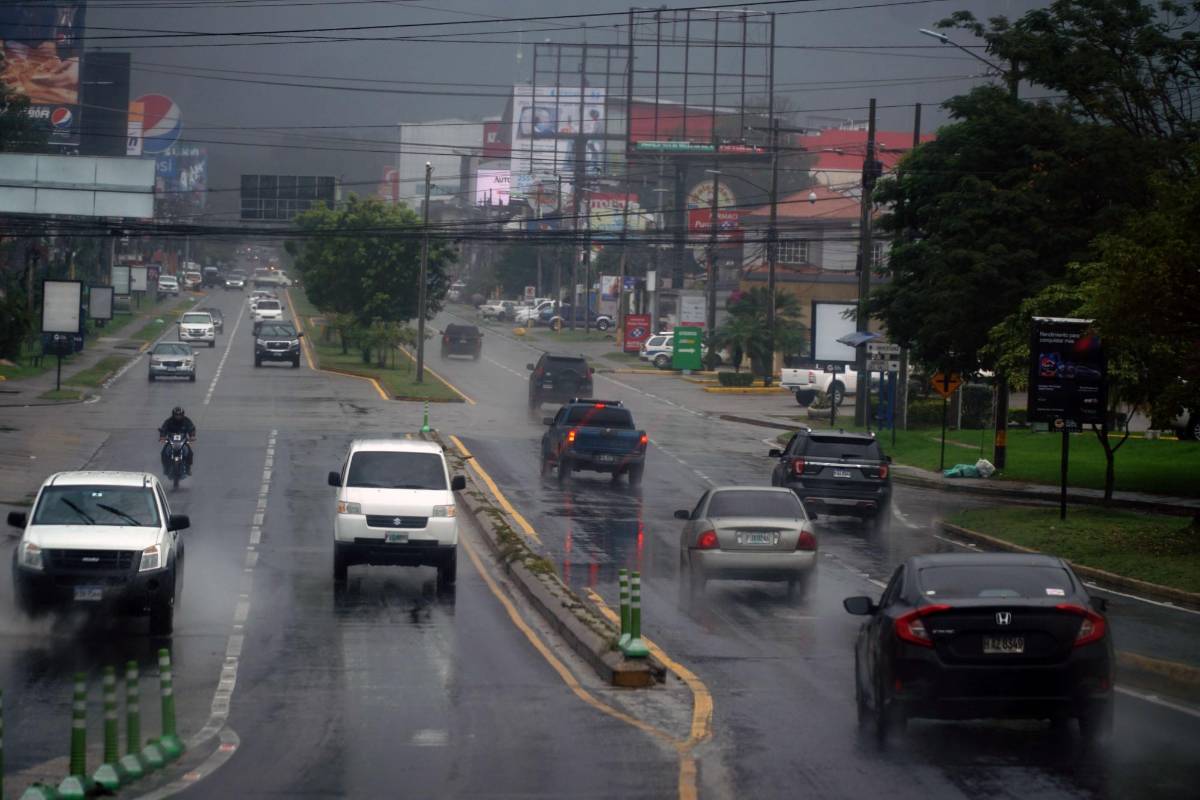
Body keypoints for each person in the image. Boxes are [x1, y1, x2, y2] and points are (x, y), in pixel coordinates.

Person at [158, 406, 196, 474]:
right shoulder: (168, 421)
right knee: (163, 453)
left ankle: (188, 468)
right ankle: (166, 467)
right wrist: (162, 436)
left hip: (183, 440)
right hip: (171, 441)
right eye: (176, 415)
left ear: (182, 414)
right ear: (173, 414)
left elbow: (191, 428)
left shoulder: (187, 421)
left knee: (190, 453)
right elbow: (163, 429)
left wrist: (192, 436)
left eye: (179, 415)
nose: (178, 416)